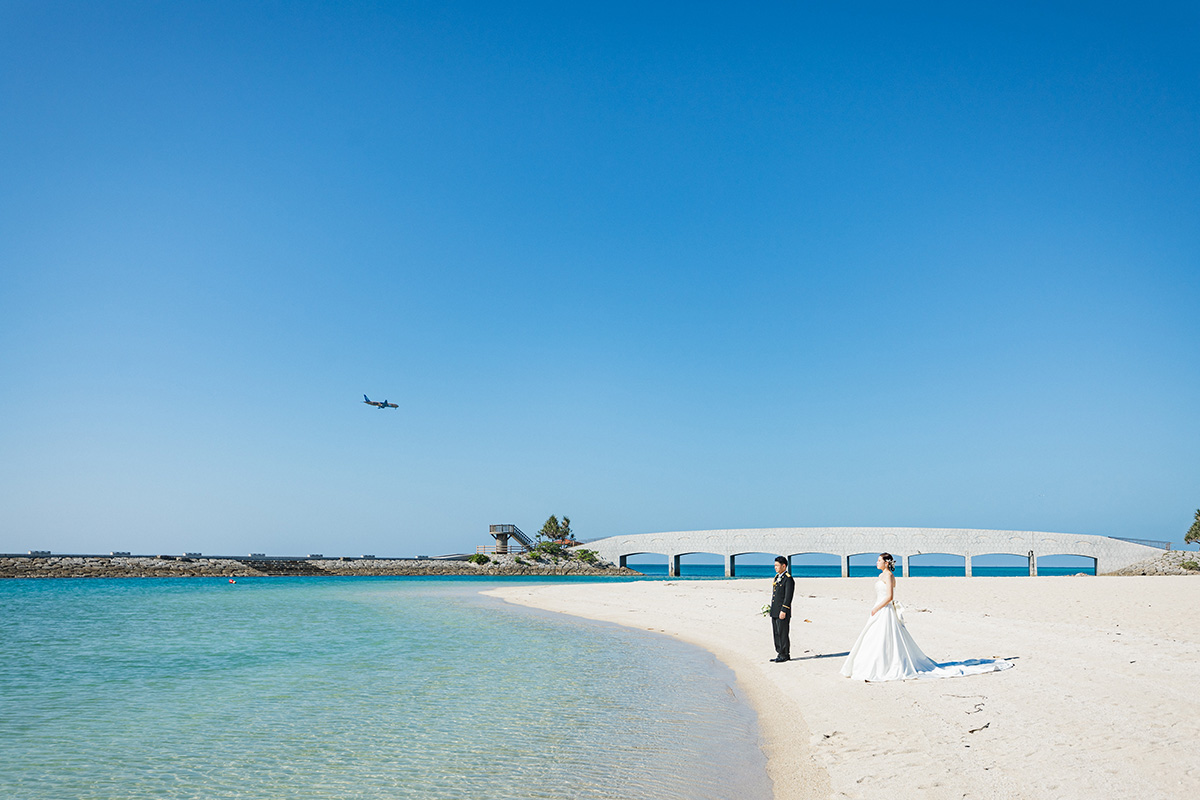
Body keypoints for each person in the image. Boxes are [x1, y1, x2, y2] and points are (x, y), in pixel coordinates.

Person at [840, 553, 1013, 681]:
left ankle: (883, 667)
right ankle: (870, 665)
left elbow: (890, 597)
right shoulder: (880, 575)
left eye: (879, 560)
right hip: (879, 610)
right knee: (873, 639)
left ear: (886, 563)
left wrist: (876, 607)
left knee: (884, 638)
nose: (876, 562)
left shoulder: (889, 575)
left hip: (884, 610)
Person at [768, 555, 795, 663]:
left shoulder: (788, 579)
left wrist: (784, 610)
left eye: (777, 565)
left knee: (783, 632)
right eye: (774, 565)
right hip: (775, 610)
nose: (775, 567)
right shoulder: (777, 577)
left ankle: (784, 654)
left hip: (782, 611)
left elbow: (788, 596)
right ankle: (779, 652)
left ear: (784, 566)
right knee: (776, 633)